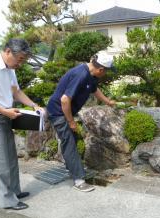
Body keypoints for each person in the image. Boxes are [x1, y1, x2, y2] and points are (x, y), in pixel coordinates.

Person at [0, 39, 43, 210]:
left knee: (11, 157)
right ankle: (7, 200)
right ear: (8, 51)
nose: (21, 63)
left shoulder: (10, 68)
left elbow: (16, 91)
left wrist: (34, 105)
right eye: (19, 59)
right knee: (1, 161)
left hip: (5, 116)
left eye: (23, 60)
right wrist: (4, 111)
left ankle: (15, 192)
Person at [46, 52, 116, 192]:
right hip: (58, 112)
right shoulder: (81, 75)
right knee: (69, 142)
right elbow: (64, 100)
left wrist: (107, 101)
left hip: (67, 111)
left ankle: (71, 167)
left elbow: (95, 90)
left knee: (71, 139)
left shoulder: (91, 75)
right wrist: (71, 122)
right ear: (101, 69)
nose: (106, 74)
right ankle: (79, 179)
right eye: (106, 71)